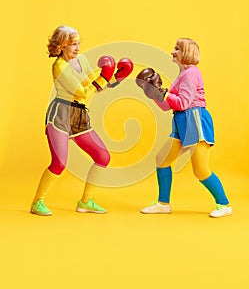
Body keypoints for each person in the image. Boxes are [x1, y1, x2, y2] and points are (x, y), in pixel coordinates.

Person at [31, 25, 133, 216]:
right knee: (59, 163)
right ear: (61, 46)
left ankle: (86, 201)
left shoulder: (83, 60)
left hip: (79, 115)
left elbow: (93, 85)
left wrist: (116, 78)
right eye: (72, 44)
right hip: (60, 115)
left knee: (103, 156)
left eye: (78, 43)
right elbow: (82, 92)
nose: (77, 48)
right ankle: (37, 202)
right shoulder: (59, 66)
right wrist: (104, 75)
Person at [136, 38, 232, 218]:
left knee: (201, 170)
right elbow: (167, 106)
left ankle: (224, 204)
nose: (173, 51)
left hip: (194, 119)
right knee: (162, 159)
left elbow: (183, 103)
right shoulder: (182, 75)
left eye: (177, 49)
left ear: (186, 52)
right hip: (181, 121)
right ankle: (163, 203)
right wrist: (154, 94)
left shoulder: (191, 74)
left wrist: (163, 92)